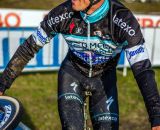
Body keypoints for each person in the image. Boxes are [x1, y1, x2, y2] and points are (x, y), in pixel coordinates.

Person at [0, 0, 160, 129]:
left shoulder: (122, 19)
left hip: (105, 81)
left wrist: (156, 116)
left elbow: (142, 70)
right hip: (72, 74)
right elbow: (28, 48)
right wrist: (2, 85)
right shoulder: (62, 13)